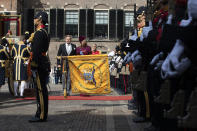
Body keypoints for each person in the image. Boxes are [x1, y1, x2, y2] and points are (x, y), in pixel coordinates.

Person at [28, 11, 50, 122]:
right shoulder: (43, 32)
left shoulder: (39, 33)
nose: (34, 19)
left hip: (39, 64)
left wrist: (33, 66)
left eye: (35, 17)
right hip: (43, 62)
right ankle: (40, 112)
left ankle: (41, 115)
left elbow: (35, 51)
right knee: (40, 90)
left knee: (41, 91)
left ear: (40, 19)